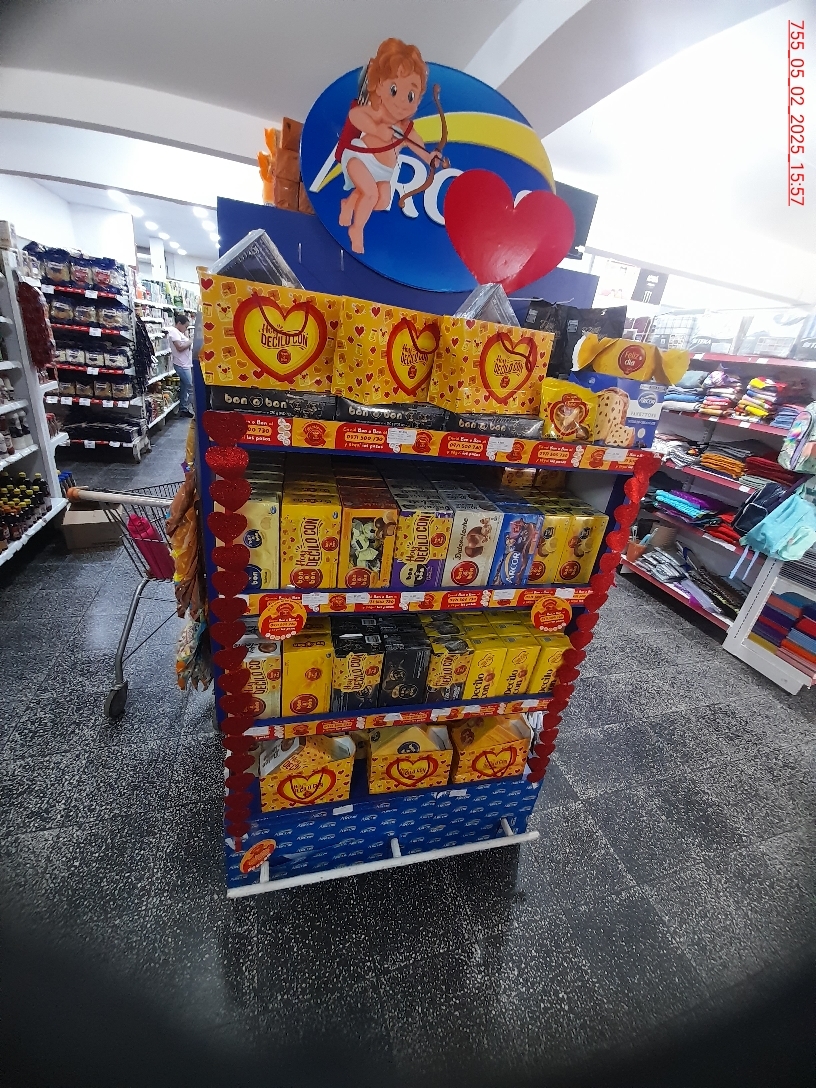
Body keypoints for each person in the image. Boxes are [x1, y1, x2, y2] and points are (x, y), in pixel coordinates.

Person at [337, 38, 442, 253]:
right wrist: (376, 130)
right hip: (361, 158)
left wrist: (429, 157)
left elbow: (418, 146)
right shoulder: (378, 113)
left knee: (382, 201)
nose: (402, 101)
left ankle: (349, 203)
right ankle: (357, 230)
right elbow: (356, 116)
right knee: (371, 194)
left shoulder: (405, 128)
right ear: (378, 86)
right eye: (394, 89)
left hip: (383, 172)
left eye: (410, 95)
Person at [166, 312, 194, 417]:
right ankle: (196, 410)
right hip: (181, 365)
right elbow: (179, 347)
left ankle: (183, 408)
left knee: (184, 387)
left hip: (185, 364)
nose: (186, 329)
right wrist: (190, 341)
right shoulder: (174, 331)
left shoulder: (178, 332)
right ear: (179, 323)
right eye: (185, 327)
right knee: (191, 388)